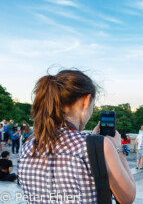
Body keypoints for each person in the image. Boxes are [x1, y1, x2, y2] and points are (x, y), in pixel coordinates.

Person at [18, 69, 136, 204]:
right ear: (86, 100)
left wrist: (93, 141)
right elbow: (128, 197)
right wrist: (117, 149)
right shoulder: (101, 146)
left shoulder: (28, 146)